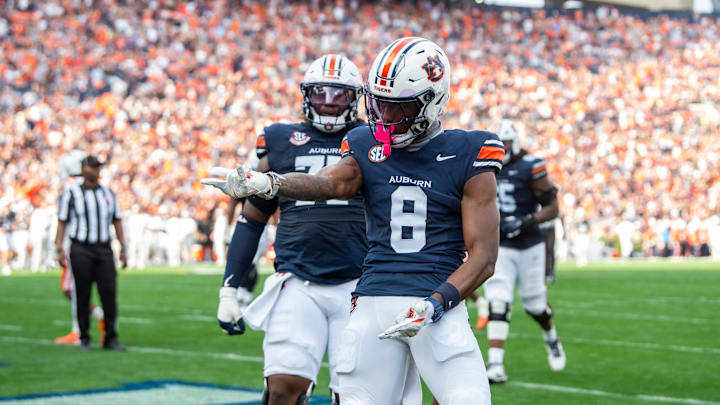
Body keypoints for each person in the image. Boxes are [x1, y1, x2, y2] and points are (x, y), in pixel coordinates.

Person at [203, 38, 500, 405]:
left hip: (429, 299)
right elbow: (330, 183)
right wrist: (270, 182)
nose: (385, 117)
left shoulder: (469, 150)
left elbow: (484, 256)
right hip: (371, 299)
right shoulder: (362, 142)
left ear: (432, 99)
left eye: (399, 106)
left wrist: (437, 303)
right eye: (379, 103)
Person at [206, 54, 422, 405]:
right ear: (306, 94)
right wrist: (228, 290)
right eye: (321, 93)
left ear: (356, 98)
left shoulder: (374, 140)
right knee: (281, 390)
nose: (329, 102)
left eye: (339, 95)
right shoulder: (279, 138)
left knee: (356, 396)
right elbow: (252, 219)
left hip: (361, 285)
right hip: (297, 280)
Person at [482, 119, 566, 383]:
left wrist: (527, 220)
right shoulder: (486, 168)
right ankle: (495, 364)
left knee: (535, 306)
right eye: (500, 143)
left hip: (530, 243)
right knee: (498, 301)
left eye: (506, 143)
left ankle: (551, 337)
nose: (503, 148)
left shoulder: (531, 165)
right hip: (502, 245)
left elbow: (553, 208)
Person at [55, 155, 127, 351]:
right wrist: (59, 248)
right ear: (83, 169)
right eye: (92, 167)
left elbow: (117, 220)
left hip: (104, 249)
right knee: (82, 293)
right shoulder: (72, 193)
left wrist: (123, 247)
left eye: (97, 167)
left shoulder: (108, 194)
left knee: (109, 294)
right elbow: (62, 221)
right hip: (81, 249)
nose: (95, 170)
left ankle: (110, 337)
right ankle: (84, 337)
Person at [54, 150, 106, 346]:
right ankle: (97, 319)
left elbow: (63, 219)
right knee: (71, 289)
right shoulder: (87, 187)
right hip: (83, 244)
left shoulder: (71, 187)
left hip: (75, 244)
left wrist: (59, 245)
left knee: (73, 288)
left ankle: (80, 330)